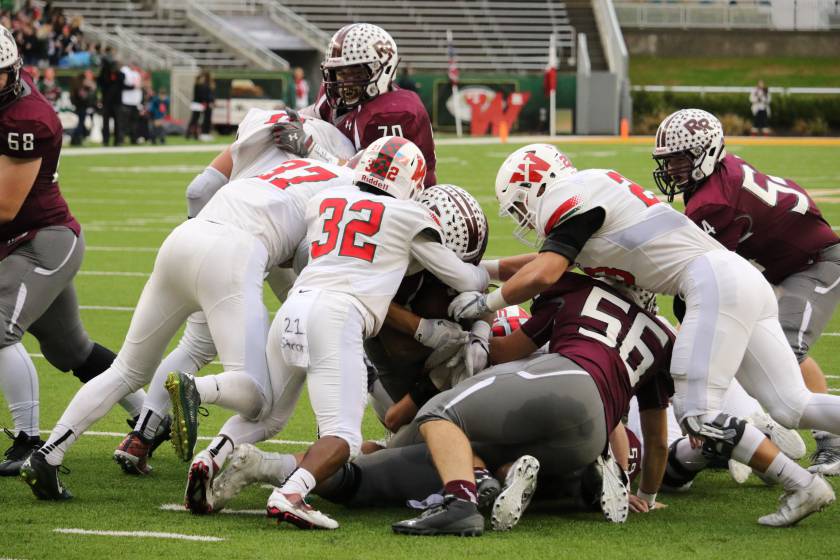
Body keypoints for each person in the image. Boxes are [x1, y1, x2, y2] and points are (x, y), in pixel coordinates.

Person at [449, 143, 837, 527]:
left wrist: (486, 304)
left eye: (519, 205)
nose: (522, 218)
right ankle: (796, 477)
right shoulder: (590, 191)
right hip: (738, 278)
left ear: (536, 185)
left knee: (698, 413)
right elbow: (549, 259)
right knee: (792, 404)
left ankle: (801, 484)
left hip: (712, 281)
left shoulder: (566, 196)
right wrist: (486, 269)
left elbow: (546, 272)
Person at [20, 126, 355, 501]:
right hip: (233, 255)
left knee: (127, 370)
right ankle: (195, 387)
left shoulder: (284, 168)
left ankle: (48, 455)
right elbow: (312, 256)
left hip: (184, 238)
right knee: (258, 398)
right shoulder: (348, 186)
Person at [236, 137, 488, 530]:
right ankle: (289, 491)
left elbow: (313, 256)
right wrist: (436, 324)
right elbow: (466, 276)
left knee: (270, 411)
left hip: (300, 305)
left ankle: (218, 453)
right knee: (346, 438)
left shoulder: (328, 200)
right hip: (347, 330)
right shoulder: (407, 221)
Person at [113, 108, 357, 480]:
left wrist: (203, 231)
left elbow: (198, 191)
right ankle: (329, 446)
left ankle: (142, 434)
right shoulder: (340, 155)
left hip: (228, 234)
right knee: (320, 346)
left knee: (195, 347)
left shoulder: (268, 126)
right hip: (279, 249)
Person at [652, 108, 840, 475]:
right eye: (667, 161)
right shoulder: (719, 174)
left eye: (678, 160)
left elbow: (705, 279)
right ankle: (748, 423)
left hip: (816, 264)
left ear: (705, 154)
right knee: (739, 339)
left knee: (787, 348)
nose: (672, 169)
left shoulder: (712, 202)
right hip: (778, 266)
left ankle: (831, 441)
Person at [0, 26, 149, 477]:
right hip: (18, 242)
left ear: (12, 71)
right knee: (71, 350)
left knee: (0, 331)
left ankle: (28, 441)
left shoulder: (26, 118)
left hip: (40, 242)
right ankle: (149, 420)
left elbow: (6, 206)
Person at [274, 23, 437, 186]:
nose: (345, 82)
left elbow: (369, 180)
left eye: (356, 73)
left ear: (385, 70)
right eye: (341, 73)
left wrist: (309, 147)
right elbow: (311, 117)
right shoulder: (333, 93)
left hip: (400, 195)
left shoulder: (392, 114)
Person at [96, 48, 120, 146]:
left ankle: (117, 140)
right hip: (107, 100)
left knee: (116, 122)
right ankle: (107, 140)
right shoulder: (104, 73)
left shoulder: (118, 74)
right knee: (107, 121)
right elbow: (101, 82)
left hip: (114, 101)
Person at [116, 62, 141, 145]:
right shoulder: (124, 71)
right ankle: (121, 140)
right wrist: (132, 87)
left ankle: (134, 139)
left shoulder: (136, 73)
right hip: (126, 101)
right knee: (123, 123)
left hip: (135, 102)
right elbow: (121, 85)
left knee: (134, 123)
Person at [69, 69, 95, 146]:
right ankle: (76, 139)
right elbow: (83, 97)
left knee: (81, 123)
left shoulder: (78, 85)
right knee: (80, 124)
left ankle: (76, 139)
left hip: (80, 106)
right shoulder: (82, 86)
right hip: (82, 107)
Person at [186, 70, 214, 141]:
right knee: (194, 120)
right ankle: (188, 134)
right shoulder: (198, 85)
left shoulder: (200, 85)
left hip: (199, 104)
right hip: (197, 104)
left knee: (195, 120)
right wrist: (206, 101)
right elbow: (200, 96)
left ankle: (194, 134)